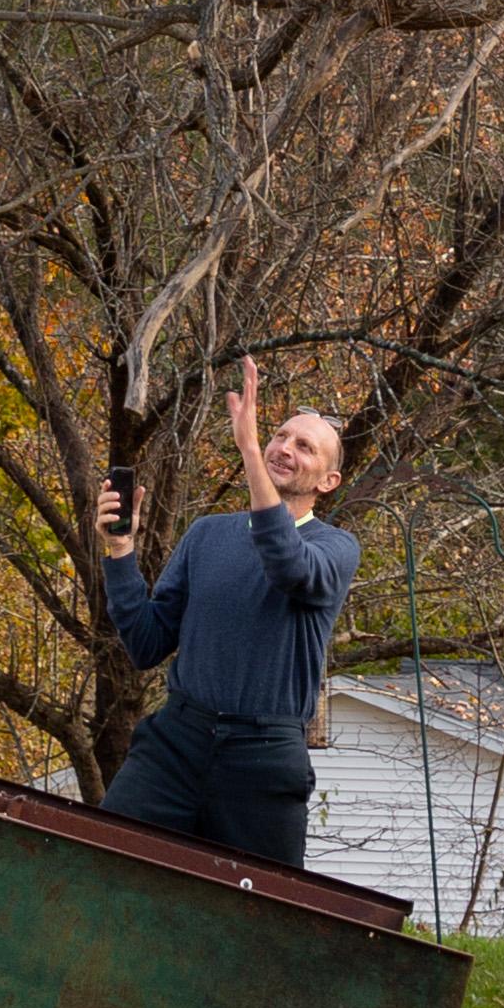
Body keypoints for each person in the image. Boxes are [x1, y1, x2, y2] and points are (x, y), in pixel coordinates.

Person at [91, 357, 361, 873]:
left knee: (266, 914)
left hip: (262, 757)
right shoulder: (208, 534)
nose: (284, 448)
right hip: (176, 743)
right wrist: (121, 551)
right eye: (280, 436)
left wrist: (251, 452)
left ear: (328, 482)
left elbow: (287, 565)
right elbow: (145, 643)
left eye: (304, 447)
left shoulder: (335, 548)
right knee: (106, 869)